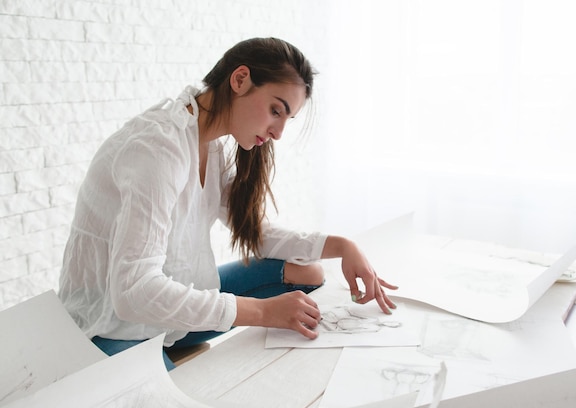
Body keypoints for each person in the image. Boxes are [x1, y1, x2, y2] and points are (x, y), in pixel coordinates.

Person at [59, 37, 397, 371]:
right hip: (114, 325)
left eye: (286, 119)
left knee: (306, 272)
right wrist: (263, 312)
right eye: (275, 110)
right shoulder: (157, 149)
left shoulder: (211, 145)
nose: (278, 132)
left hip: (168, 320)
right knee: (189, 402)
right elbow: (133, 292)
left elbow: (253, 231)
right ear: (239, 80)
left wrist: (343, 246)